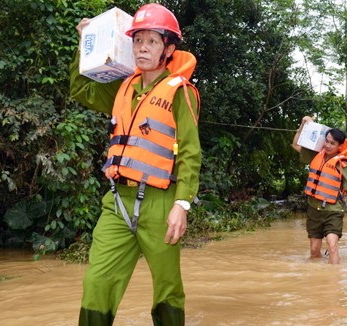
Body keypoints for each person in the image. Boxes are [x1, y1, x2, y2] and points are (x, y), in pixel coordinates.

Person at [70, 4, 201, 325]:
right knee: (97, 282)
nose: (142, 46)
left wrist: (181, 205)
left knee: (167, 288)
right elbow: (80, 90)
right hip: (117, 202)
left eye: (152, 41)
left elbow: (190, 153)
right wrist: (84, 44)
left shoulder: (181, 92)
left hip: (161, 203)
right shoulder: (123, 87)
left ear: (168, 49)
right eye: (138, 40)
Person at [292, 116, 347, 264]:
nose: (328, 146)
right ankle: (319, 280)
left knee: (332, 246)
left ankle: (334, 282)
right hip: (313, 209)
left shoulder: (343, 165)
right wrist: (302, 125)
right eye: (327, 141)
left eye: (333, 143)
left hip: (333, 211)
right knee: (314, 251)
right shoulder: (316, 155)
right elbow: (295, 145)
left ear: (340, 146)